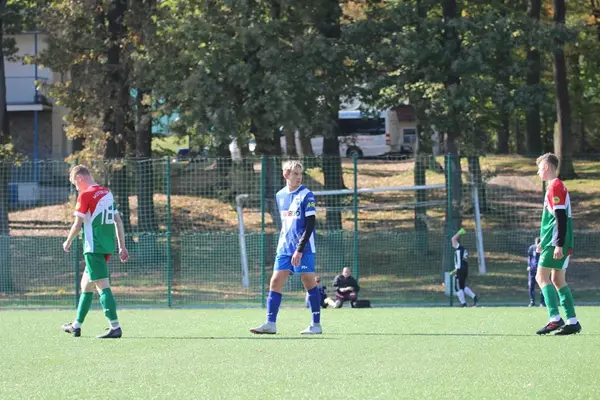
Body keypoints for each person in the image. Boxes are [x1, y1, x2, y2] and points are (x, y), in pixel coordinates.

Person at [250, 160, 322, 335]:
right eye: (295, 174)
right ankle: (270, 323)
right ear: (286, 175)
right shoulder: (280, 195)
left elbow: (310, 224)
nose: (299, 177)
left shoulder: (306, 195)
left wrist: (299, 249)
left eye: (300, 174)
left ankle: (316, 324)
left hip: (304, 247)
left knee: (308, 282)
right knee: (275, 282)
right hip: (284, 247)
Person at [61, 165, 129, 339]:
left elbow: (77, 224)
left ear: (80, 179)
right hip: (106, 246)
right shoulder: (107, 193)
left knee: (102, 286)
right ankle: (76, 326)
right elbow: (118, 221)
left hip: (93, 247)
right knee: (86, 285)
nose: (76, 189)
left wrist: (68, 241)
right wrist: (122, 246)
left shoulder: (85, 195)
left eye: (75, 184)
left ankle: (115, 327)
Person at [534, 153, 581, 335]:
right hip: (554, 241)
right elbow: (552, 220)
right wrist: (542, 241)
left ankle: (554, 318)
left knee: (541, 277)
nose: (538, 172)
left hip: (557, 242)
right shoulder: (555, 187)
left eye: (539, 168)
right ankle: (572, 321)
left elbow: (561, 218)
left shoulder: (555, 186)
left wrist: (558, 244)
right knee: (558, 279)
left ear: (546, 167)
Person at [450, 228, 478, 307]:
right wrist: (455, 270)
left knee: (457, 287)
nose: (452, 244)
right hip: (464, 270)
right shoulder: (463, 250)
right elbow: (462, 263)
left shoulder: (459, 248)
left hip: (460, 270)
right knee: (462, 287)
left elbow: (453, 239)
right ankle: (474, 297)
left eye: (453, 244)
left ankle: (463, 303)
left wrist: (459, 232)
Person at [527, 237, 545, 307]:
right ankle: (532, 301)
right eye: (536, 243)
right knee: (531, 285)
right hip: (532, 269)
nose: (537, 244)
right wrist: (529, 265)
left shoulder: (544, 248)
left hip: (541, 269)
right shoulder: (532, 248)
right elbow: (529, 257)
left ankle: (542, 302)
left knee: (542, 285)